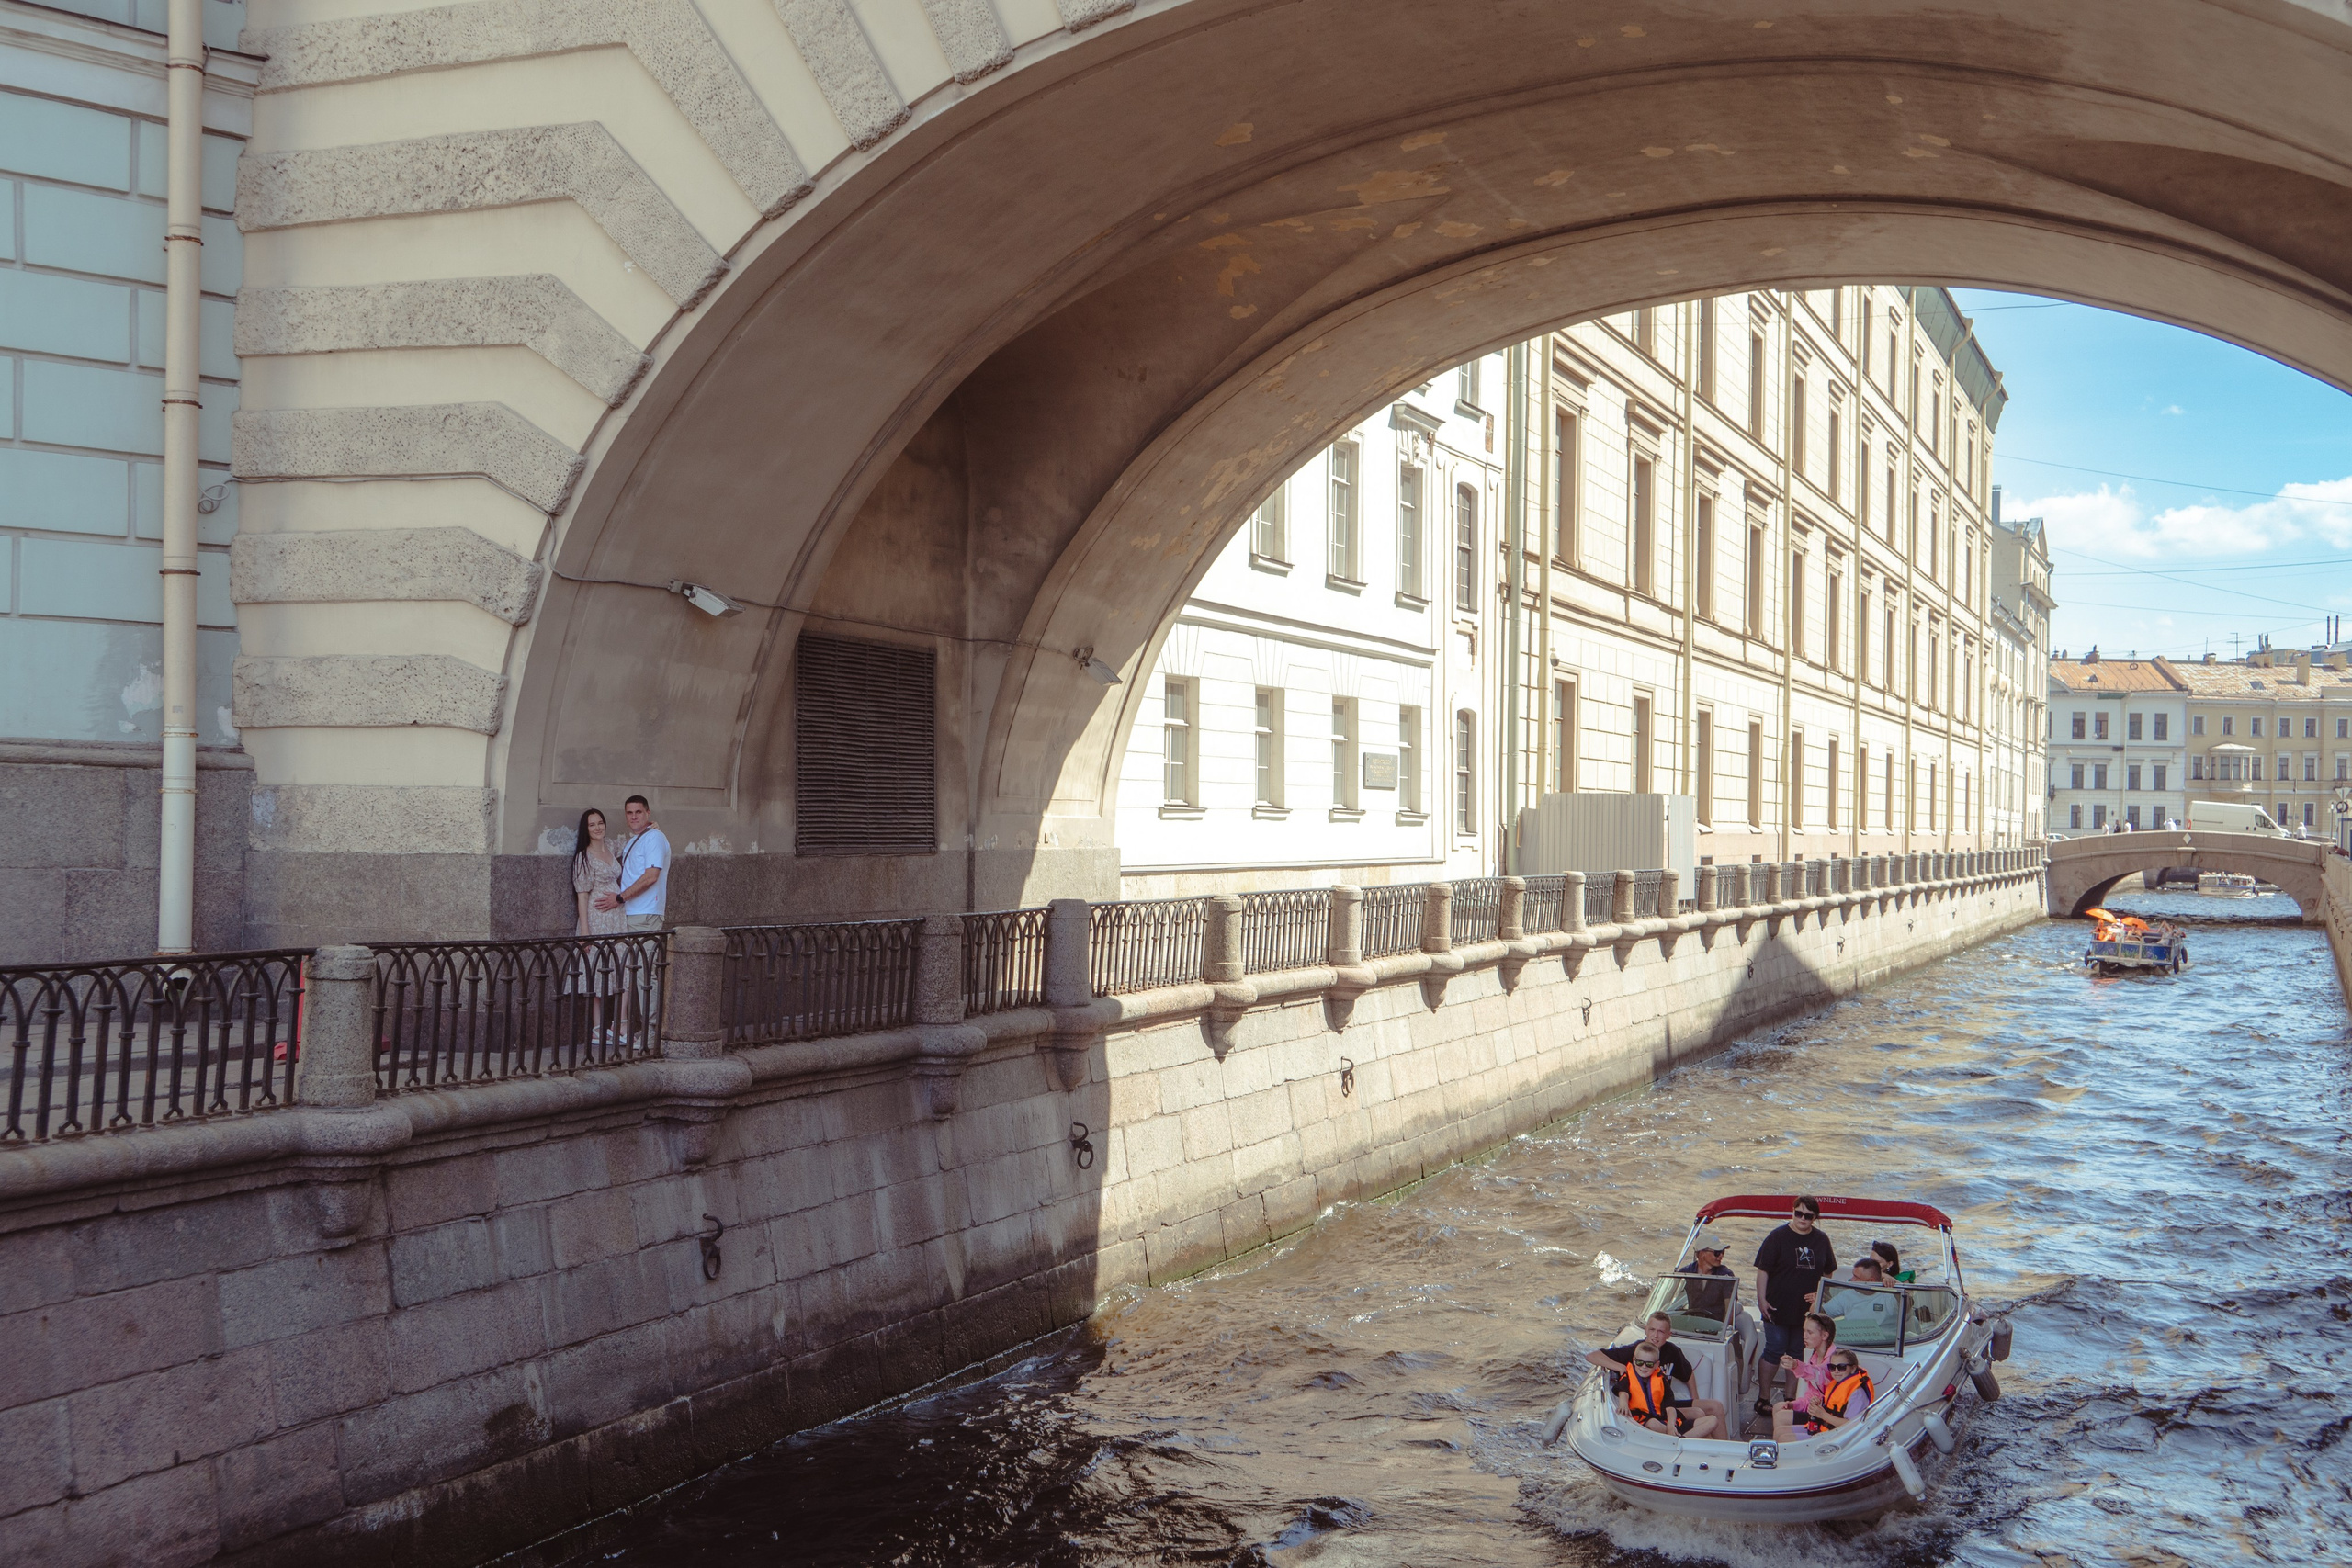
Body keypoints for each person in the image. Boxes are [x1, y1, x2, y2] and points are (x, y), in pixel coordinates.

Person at [1753, 1197, 1836, 1411]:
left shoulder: (1822, 1240)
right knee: (1774, 1349)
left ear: (1815, 1218)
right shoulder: (1777, 1237)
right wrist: (1761, 1300)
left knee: (1798, 1352)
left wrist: (1819, 1293)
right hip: (1776, 1306)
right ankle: (1763, 1398)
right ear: (1792, 1212)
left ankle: (1791, 1398)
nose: (1802, 1218)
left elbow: (1828, 1272)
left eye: (1808, 1216)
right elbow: (1763, 1270)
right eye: (1798, 1213)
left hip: (1805, 1312)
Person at [1586, 1312, 1728, 1435]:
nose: (1655, 1335)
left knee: (1715, 1407)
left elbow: (1688, 1373)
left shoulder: (1672, 1351)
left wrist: (1695, 1397)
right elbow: (1592, 1356)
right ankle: (1683, 1442)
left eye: (1660, 1331)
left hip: (1667, 1404)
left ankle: (1725, 1448)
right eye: (1652, 1330)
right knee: (1698, 1414)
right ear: (1646, 1330)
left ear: (1668, 1335)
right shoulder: (1635, 1351)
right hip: (1646, 1410)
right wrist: (1620, 1367)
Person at [568, 808, 625, 1039]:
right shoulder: (584, 856)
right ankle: (597, 1028)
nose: (598, 827)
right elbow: (582, 894)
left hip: (617, 916)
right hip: (597, 916)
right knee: (597, 969)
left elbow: (634, 841)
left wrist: (651, 828)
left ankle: (615, 1025)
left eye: (600, 823)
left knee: (619, 965)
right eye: (592, 825)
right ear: (586, 829)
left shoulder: (611, 846)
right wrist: (585, 931)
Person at [1613, 1346, 1720, 1440]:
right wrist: (1623, 1404)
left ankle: (1682, 1440)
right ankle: (1678, 1440)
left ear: (1657, 1365)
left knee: (1712, 1420)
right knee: (1654, 1424)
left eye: (1649, 1364)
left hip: (1666, 1420)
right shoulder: (1627, 1377)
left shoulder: (1662, 1380)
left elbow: (1670, 1407)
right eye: (1640, 1362)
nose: (1644, 1367)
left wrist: (1671, 1425)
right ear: (1634, 1360)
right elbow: (1623, 1392)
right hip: (1646, 1420)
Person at [601, 795, 671, 933]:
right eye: (629, 813)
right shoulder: (635, 840)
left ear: (647, 813)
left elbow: (651, 876)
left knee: (643, 955)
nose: (634, 817)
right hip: (630, 911)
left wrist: (620, 898)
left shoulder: (654, 837)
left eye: (638, 812)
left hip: (645, 914)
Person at [1770, 1312, 1838, 1442]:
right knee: (1779, 1406)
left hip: (1824, 1414)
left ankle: (1784, 1451)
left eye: (1810, 1332)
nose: (1804, 1336)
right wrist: (1795, 1404)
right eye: (1804, 1331)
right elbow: (1811, 1396)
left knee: (1780, 1418)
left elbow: (1819, 1375)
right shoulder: (1814, 1356)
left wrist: (1795, 1365)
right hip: (1813, 1408)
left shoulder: (1834, 1361)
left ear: (1824, 1335)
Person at [1792, 1349, 1872, 1438]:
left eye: (1841, 1367)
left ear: (1853, 1368)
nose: (1836, 1371)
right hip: (1825, 1430)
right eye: (1832, 1367)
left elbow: (1851, 1425)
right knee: (1781, 1431)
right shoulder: (1835, 1384)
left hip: (1838, 1438)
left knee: (1785, 1438)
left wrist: (1822, 1414)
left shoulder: (1857, 1394)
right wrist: (1818, 1405)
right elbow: (1833, 1409)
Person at [1819, 1256, 1901, 1341]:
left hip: (1887, 1346)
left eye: (1856, 1277)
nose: (1851, 1280)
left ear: (1871, 1281)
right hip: (1854, 1344)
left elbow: (1908, 1307)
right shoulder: (1847, 1294)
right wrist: (1817, 1300)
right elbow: (1823, 1314)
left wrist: (1892, 1283)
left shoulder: (1890, 1294)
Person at [1682, 1230, 1736, 1323]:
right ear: (1702, 1254)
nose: (1721, 1256)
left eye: (1722, 1252)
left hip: (1715, 1327)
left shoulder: (1726, 1275)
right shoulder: (1685, 1273)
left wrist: (1721, 1332)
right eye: (1717, 1253)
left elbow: (1730, 1311)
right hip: (1690, 1323)